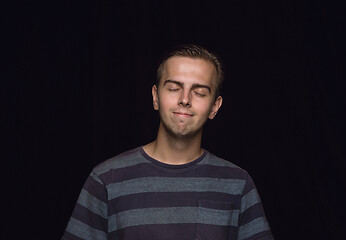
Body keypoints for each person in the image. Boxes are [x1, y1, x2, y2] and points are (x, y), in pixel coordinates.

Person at [62, 44, 274, 240]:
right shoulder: (106, 180)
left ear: (214, 107)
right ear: (155, 97)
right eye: (174, 88)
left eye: (199, 92)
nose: (185, 99)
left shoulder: (238, 184)